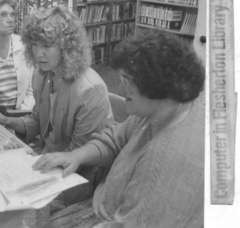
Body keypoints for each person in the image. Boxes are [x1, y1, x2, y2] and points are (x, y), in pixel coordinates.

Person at [33, 30, 205, 228]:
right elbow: (115, 138)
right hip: (107, 206)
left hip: (114, 219)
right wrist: (77, 156)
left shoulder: (167, 159)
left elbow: (135, 222)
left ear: (156, 84)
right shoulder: (163, 107)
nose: (122, 90)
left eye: (127, 82)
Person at [0, 6, 115, 203]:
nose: (39, 53)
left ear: (66, 48)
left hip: (76, 176)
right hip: (47, 162)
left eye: (47, 46)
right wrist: (8, 121)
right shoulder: (42, 74)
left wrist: (32, 169)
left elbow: (79, 156)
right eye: (34, 45)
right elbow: (38, 121)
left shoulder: (89, 89)